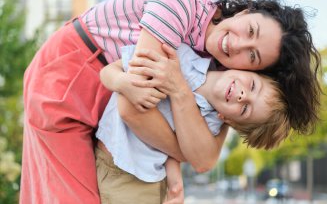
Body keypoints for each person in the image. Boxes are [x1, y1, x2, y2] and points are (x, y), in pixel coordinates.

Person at [21, 0, 321, 203]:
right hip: (71, 75)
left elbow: (205, 157)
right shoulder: (178, 3)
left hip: (107, 105)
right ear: (245, 11)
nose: (238, 44)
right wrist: (182, 148)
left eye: (252, 56)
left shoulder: (221, 70)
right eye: (251, 30)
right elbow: (132, 108)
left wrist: (185, 147)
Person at [95, 43, 290, 203]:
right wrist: (122, 83)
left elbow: (171, 145)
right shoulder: (182, 56)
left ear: (228, 120)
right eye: (253, 86)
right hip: (117, 163)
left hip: (153, 178)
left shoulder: (210, 125)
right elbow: (110, 71)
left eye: (246, 108)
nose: (242, 95)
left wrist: (174, 179)